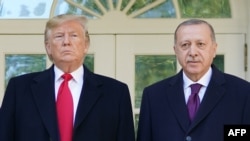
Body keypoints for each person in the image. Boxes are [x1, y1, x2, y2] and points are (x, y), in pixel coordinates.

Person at [0, 14, 135, 141]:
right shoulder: (19, 89)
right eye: (59, 36)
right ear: (48, 47)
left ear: (86, 45)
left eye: (74, 35)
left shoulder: (116, 93)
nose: (66, 42)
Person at [136, 19, 250, 141]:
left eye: (200, 44)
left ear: (214, 49)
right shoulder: (153, 96)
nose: (193, 52)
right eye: (185, 45)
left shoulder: (243, 93)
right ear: (176, 51)